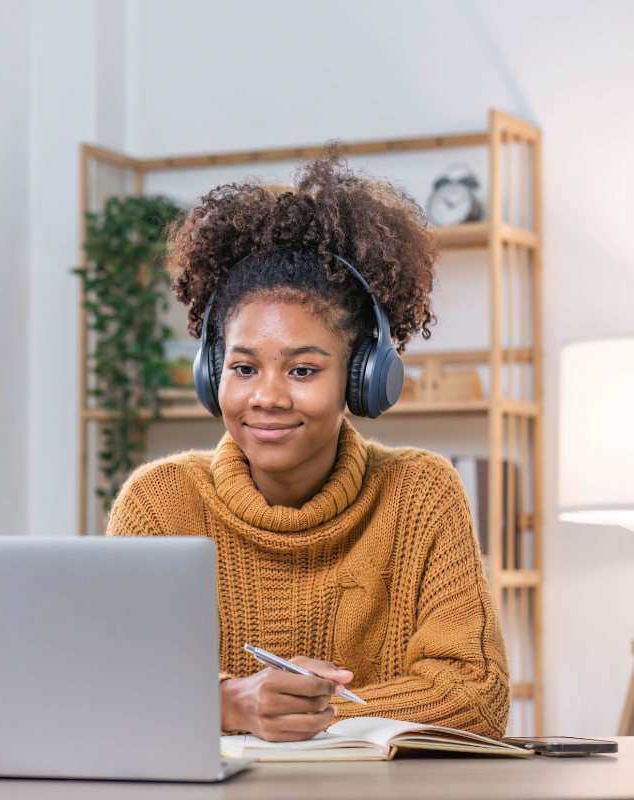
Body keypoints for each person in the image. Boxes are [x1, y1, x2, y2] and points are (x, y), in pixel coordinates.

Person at [106, 156, 509, 742]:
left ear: (362, 376)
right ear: (211, 372)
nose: (266, 397)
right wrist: (228, 704)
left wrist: (303, 711)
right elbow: (118, 688)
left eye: (301, 369)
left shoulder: (422, 494)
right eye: (243, 367)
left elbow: (475, 696)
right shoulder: (159, 504)